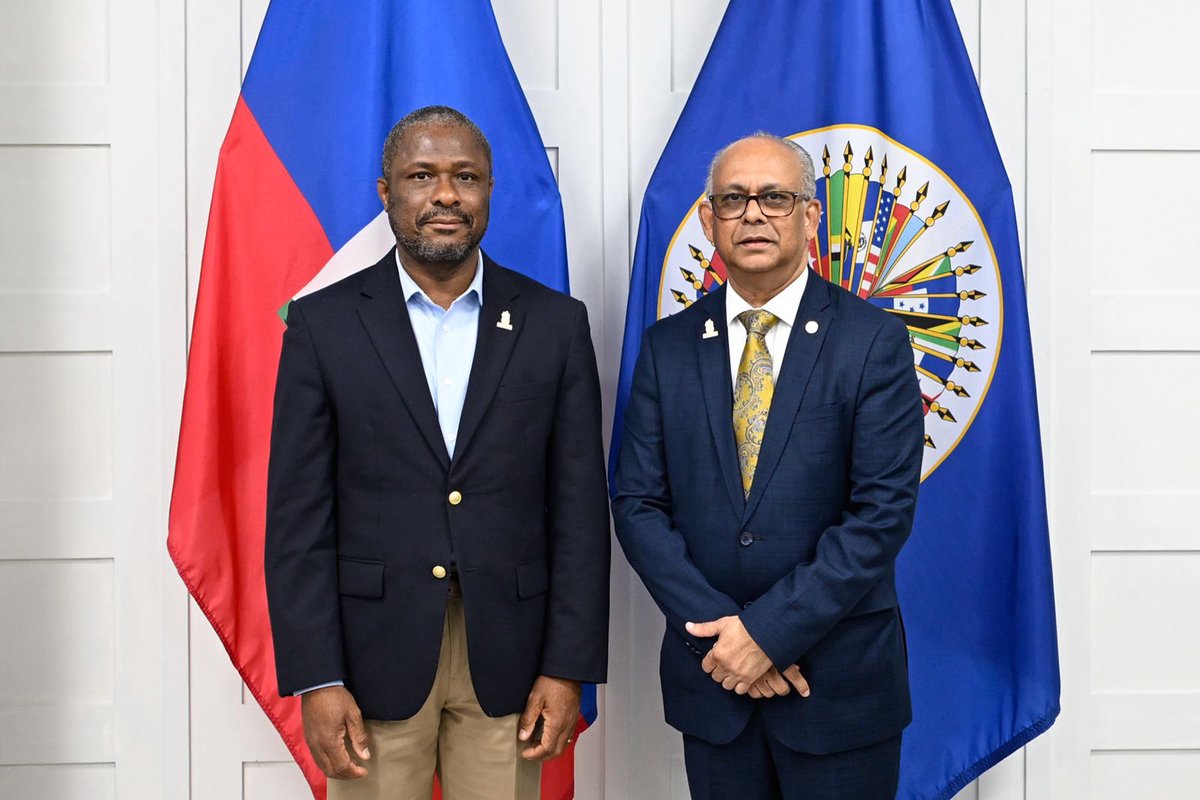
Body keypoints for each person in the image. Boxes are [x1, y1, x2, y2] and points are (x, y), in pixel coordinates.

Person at [265, 105, 610, 800]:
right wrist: (317, 676)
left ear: (489, 192)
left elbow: (577, 512)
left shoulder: (555, 325)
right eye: (421, 175)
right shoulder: (322, 325)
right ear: (386, 192)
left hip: (512, 660)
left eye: (466, 177)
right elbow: (298, 519)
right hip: (370, 659)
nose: (446, 194)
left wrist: (568, 667)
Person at [612, 132, 924, 799]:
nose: (753, 214)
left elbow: (882, 513)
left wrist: (768, 633)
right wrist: (728, 642)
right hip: (717, 681)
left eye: (775, 198)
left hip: (838, 688)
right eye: (733, 199)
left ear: (811, 217)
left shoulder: (874, 342)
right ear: (708, 221)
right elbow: (637, 504)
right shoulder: (668, 349)